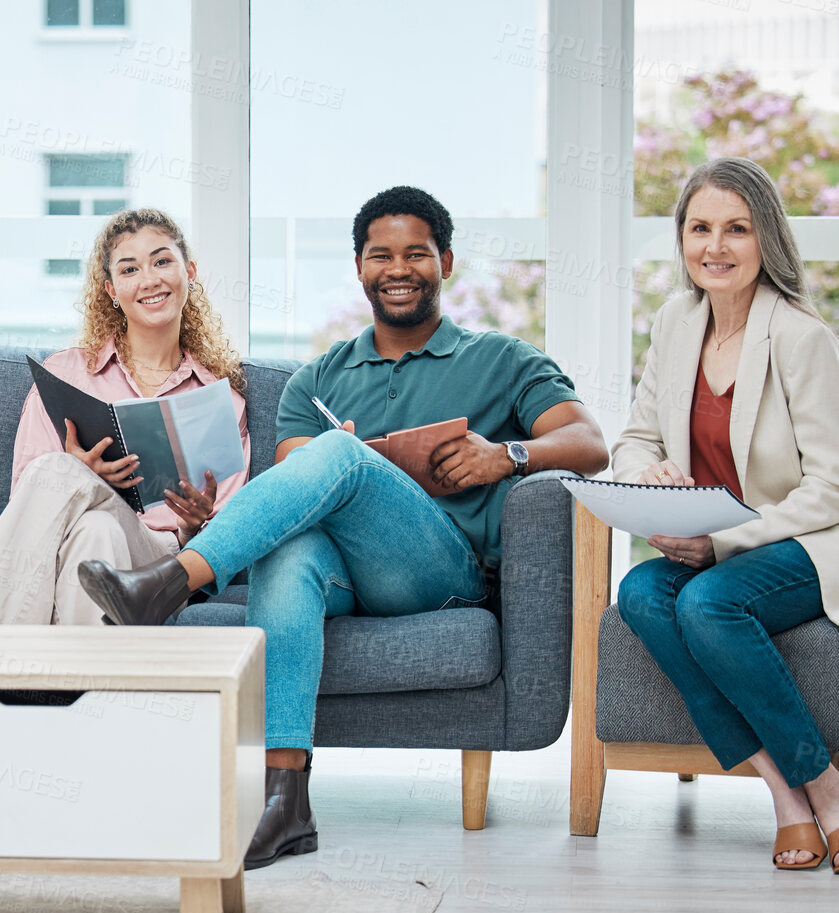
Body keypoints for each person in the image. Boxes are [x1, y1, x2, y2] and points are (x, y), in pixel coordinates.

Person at [78, 186, 609, 869]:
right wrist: (350, 461)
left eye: (416, 253)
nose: (398, 267)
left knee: (337, 455)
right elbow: (294, 477)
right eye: (380, 255)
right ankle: (284, 799)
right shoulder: (318, 378)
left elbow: (590, 442)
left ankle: (170, 584)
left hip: (443, 574)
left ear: (445, 261)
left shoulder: (502, 359)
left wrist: (503, 455)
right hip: (346, 575)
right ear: (359, 267)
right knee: (289, 543)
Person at [611, 157, 839, 872]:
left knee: (709, 604)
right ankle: (786, 794)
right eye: (699, 229)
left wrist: (722, 539)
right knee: (640, 594)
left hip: (815, 538)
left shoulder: (800, 337)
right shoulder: (676, 321)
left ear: (767, 242)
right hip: (716, 538)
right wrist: (649, 473)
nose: (714, 247)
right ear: (682, 239)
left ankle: (831, 788)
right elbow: (634, 438)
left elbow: (835, 488)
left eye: (736, 229)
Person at [0, 208, 251, 626]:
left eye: (162, 261)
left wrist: (193, 527)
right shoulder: (65, 373)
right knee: (95, 527)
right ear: (110, 290)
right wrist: (83, 473)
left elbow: (230, 534)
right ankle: (79, 689)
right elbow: (26, 497)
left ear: (189, 272)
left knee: (63, 473)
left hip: (161, 563)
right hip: (75, 544)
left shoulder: (221, 397)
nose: (149, 279)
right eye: (129, 269)